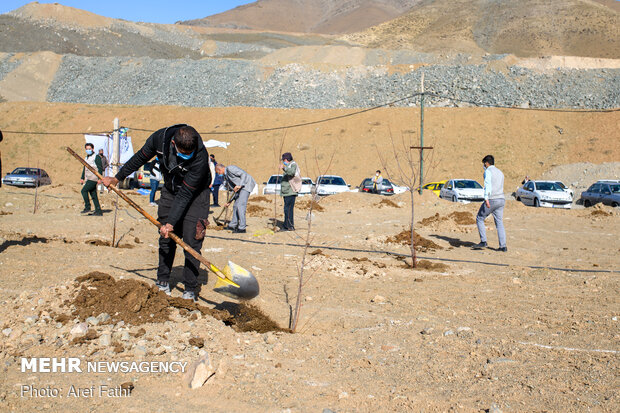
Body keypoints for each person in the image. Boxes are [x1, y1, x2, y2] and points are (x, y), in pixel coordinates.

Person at [101, 125, 211, 302]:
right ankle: (163, 281)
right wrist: (117, 177)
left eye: (189, 153)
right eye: (182, 152)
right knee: (166, 237)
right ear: (173, 143)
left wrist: (171, 222)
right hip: (170, 189)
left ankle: (190, 288)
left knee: (192, 241)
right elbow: (139, 158)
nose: (186, 156)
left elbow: (185, 194)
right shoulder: (160, 139)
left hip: (197, 194)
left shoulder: (200, 156)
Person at [473, 155, 507, 252]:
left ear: (487, 163)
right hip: (501, 199)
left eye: (484, 163)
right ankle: (503, 246)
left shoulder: (488, 172)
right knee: (499, 223)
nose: (484, 165)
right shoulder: (500, 172)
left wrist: (486, 198)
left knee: (479, 218)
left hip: (492, 199)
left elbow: (487, 185)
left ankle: (483, 241)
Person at [215, 163, 255, 234]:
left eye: (218, 173)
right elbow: (233, 190)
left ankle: (242, 228)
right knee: (235, 205)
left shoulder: (231, 168)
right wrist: (229, 201)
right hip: (240, 188)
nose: (219, 174)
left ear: (220, 169)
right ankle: (233, 225)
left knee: (240, 205)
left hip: (246, 185)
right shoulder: (226, 176)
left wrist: (240, 185)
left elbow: (243, 174)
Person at [80, 143, 104, 216]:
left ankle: (87, 207)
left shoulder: (96, 157)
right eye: (87, 149)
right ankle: (98, 210)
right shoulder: (86, 158)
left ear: (93, 149)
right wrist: (82, 177)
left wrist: (100, 178)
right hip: (88, 177)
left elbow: (100, 168)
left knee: (84, 190)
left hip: (93, 178)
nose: (88, 150)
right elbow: (85, 168)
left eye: (89, 149)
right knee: (93, 194)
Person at [280, 152, 300, 231]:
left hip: (290, 191)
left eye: (283, 160)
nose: (283, 162)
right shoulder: (290, 165)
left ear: (286, 159)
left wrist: (283, 168)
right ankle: (287, 225)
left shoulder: (293, 165)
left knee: (288, 210)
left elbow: (291, 172)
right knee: (287, 209)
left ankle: (289, 226)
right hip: (287, 192)